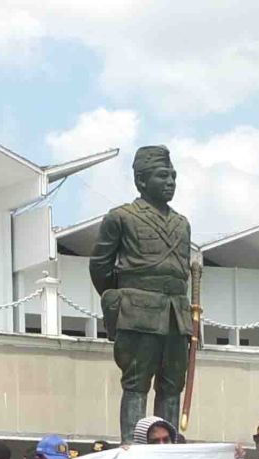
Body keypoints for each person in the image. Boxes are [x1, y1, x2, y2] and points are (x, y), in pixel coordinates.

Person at [89, 145, 197, 442]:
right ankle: (133, 442)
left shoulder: (182, 223)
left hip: (176, 313)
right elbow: (100, 265)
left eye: (173, 176)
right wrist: (120, 300)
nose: (171, 181)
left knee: (172, 384)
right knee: (136, 383)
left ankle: (168, 442)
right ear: (141, 181)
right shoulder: (121, 217)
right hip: (138, 312)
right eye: (163, 175)